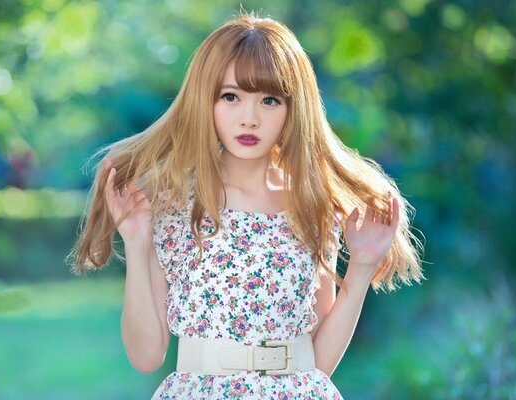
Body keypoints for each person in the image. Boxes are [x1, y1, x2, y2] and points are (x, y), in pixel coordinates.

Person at [67, 11, 424, 399]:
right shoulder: (172, 204)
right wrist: (137, 245)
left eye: (269, 99)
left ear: (293, 108)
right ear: (206, 100)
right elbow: (146, 356)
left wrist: (362, 267)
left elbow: (318, 364)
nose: (249, 118)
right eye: (231, 97)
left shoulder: (311, 205)